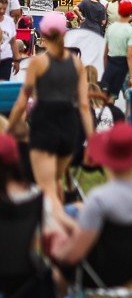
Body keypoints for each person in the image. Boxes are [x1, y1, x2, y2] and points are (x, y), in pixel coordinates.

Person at [50, 123, 132, 270]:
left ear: (106, 159)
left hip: (98, 275)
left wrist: (57, 250)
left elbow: (74, 254)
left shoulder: (98, 200)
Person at [7, 11, 92, 211]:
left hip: (44, 124)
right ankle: (60, 221)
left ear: (43, 35)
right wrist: (92, 139)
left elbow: (22, 102)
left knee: (45, 188)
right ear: (64, 34)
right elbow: (85, 105)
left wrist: (8, 130)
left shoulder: (38, 63)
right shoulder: (77, 64)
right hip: (70, 127)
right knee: (55, 181)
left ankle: (60, 229)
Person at [102, 0, 132, 100]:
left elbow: (104, 53)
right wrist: (131, 76)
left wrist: (106, 70)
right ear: (131, 12)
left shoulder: (110, 28)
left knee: (111, 98)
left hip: (112, 64)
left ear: (119, 11)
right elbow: (130, 55)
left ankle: (110, 115)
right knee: (129, 98)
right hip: (125, 65)